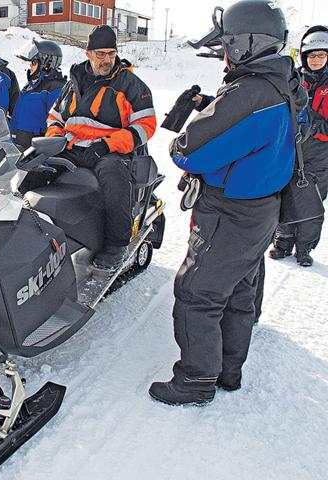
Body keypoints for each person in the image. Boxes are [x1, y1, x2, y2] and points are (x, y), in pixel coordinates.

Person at [148, 0, 307, 406]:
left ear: (244, 44)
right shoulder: (285, 82)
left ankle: (195, 380)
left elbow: (189, 151)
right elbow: (258, 132)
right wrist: (212, 108)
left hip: (229, 212)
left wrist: (198, 122)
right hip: (261, 207)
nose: (223, 54)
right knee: (238, 292)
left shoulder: (249, 93)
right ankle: (228, 371)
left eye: (227, 46)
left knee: (197, 293)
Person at [45, 24, 156, 269]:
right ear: (88, 53)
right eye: (101, 54)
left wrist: (107, 146)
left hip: (111, 151)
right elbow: (55, 116)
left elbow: (145, 125)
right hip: (73, 147)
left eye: (111, 54)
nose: (107, 60)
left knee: (113, 174)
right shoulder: (73, 82)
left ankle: (117, 243)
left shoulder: (130, 84)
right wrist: (54, 137)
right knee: (34, 167)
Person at [269, 25, 328, 267]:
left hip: (319, 154)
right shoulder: (294, 80)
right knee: (285, 196)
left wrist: (315, 125)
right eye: (312, 55)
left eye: (322, 55)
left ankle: (304, 248)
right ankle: (282, 243)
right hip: (290, 150)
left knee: (311, 202)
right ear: (304, 56)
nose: (316, 60)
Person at [11, 39, 66, 148]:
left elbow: (55, 122)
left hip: (36, 149)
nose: (30, 66)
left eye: (34, 62)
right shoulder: (30, 86)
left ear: (46, 63)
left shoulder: (55, 89)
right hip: (19, 145)